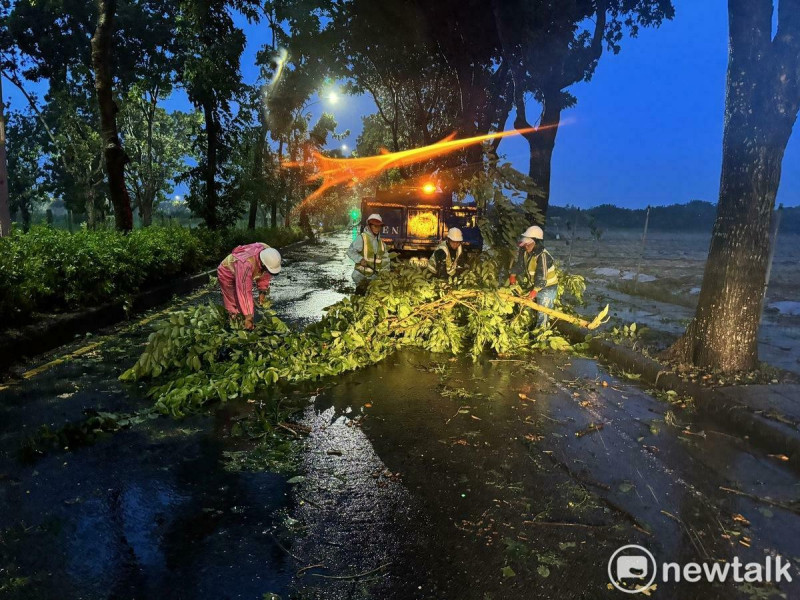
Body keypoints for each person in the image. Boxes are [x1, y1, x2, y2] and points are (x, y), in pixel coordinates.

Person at [217, 242, 282, 330]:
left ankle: (244, 323)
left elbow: (265, 274)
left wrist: (262, 291)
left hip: (244, 269)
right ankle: (235, 326)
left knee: (244, 305)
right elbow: (244, 291)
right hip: (227, 273)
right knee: (234, 303)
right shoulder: (246, 263)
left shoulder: (268, 252)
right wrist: (249, 317)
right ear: (262, 263)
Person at [513, 225, 558, 327]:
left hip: (548, 287)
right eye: (525, 244)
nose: (526, 247)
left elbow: (541, 276)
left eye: (528, 244)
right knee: (526, 307)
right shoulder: (524, 251)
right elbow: (520, 265)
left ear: (536, 242)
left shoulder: (543, 255)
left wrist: (535, 291)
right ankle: (527, 328)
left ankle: (541, 336)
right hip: (535, 285)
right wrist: (512, 274)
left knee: (542, 312)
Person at [347, 213, 390, 292]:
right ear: (369, 226)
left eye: (379, 226)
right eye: (375, 226)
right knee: (360, 298)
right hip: (361, 277)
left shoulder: (381, 243)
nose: (377, 228)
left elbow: (386, 260)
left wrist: (386, 274)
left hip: (373, 279)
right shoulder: (362, 238)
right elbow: (350, 251)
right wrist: (360, 259)